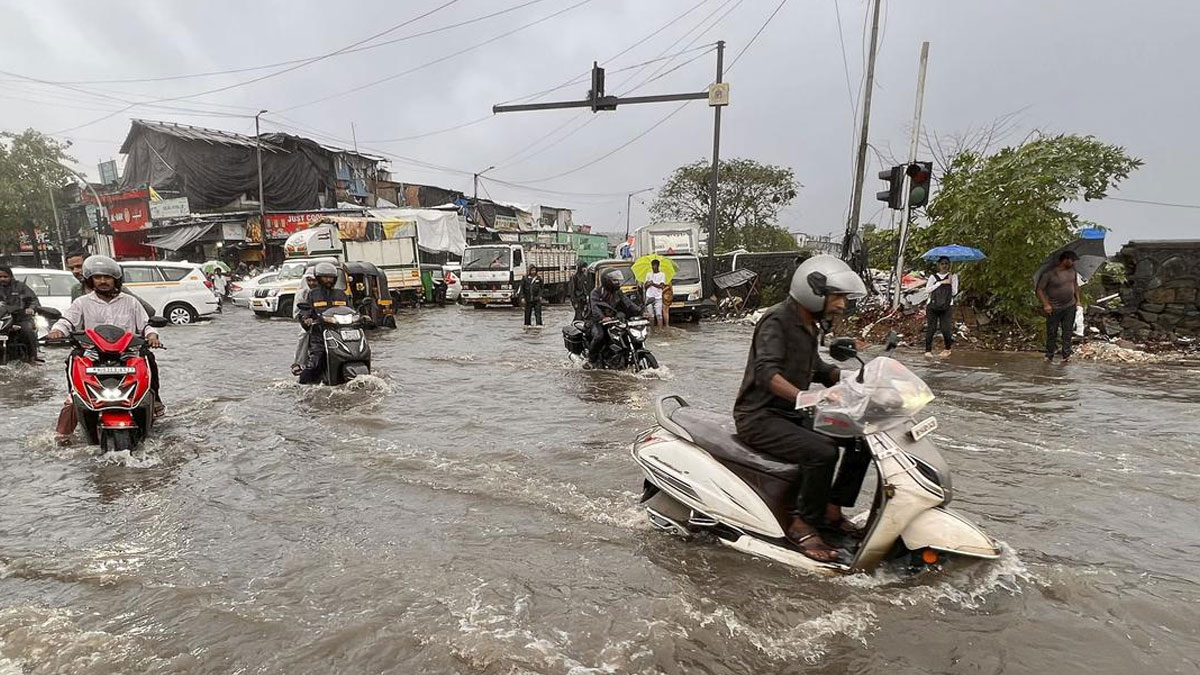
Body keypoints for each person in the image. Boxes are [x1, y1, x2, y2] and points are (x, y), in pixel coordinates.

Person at [733, 255, 870, 563]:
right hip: (759, 416)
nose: (842, 304)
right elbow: (767, 372)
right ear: (814, 292)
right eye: (837, 297)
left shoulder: (810, 324)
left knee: (859, 441)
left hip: (791, 414)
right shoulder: (777, 320)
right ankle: (802, 524)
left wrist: (850, 377)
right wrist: (803, 397)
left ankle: (831, 509)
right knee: (822, 452)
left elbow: (815, 366)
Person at [47, 256, 164, 441]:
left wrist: (152, 336)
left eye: (107, 277)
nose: (103, 281)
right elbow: (66, 321)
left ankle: (154, 399)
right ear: (90, 280)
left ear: (116, 280)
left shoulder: (131, 302)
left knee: (148, 357)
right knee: (73, 358)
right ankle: (75, 400)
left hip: (128, 352)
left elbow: (145, 325)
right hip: (93, 352)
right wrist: (57, 331)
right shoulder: (82, 302)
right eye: (98, 277)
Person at [296, 262, 349, 384]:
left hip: (341, 335)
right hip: (320, 336)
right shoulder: (312, 294)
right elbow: (305, 311)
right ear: (319, 278)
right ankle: (301, 385)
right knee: (314, 364)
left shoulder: (341, 294)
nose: (328, 280)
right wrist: (306, 319)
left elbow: (351, 310)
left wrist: (363, 317)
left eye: (331, 277)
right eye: (325, 277)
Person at [585, 269, 642, 367]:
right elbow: (595, 308)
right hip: (596, 321)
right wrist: (602, 317)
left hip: (613, 320)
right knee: (599, 336)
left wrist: (641, 311)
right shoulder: (596, 292)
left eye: (617, 280)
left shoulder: (618, 292)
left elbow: (628, 303)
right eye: (614, 280)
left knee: (626, 334)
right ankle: (591, 360)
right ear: (606, 280)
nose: (617, 282)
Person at [1037, 251, 1083, 363]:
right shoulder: (1049, 274)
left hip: (1070, 305)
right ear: (1065, 260)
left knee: (1067, 331)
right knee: (1052, 332)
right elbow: (1039, 289)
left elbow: (1075, 286)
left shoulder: (1073, 271)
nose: (1073, 263)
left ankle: (1066, 355)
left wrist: (1078, 301)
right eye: (1072, 260)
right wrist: (1046, 304)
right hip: (1054, 307)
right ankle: (1049, 355)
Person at [0, 264, 40, 364]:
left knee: (28, 331)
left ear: (10, 276)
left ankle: (32, 357)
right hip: (2, 319)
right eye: (0, 277)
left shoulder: (20, 286)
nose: (2, 279)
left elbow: (33, 300)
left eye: (5, 276)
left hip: (21, 318)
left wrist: (31, 308)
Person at [924, 256, 959, 358]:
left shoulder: (953, 277)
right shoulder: (933, 277)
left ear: (949, 265)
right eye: (942, 264)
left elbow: (954, 292)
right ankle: (928, 351)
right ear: (938, 265)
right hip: (932, 306)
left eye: (946, 263)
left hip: (947, 306)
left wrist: (951, 282)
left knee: (945, 328)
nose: (944, 266)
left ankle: (947, 349)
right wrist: (940, 283)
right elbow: (927, 290)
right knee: (931, 328)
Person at [290, 270, 318, 376]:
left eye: (314, 280)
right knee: (304, 334)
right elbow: (301, 311)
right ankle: (299, 363)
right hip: (309, 322)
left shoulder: (327, 291)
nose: (312, 283)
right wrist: (306, 319)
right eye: (309, 280)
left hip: (328, 320)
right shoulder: (303, 293)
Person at [643, 259, 668, 329]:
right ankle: (652, 330)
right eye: (652, 265)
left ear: (658, 266)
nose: (653, 267)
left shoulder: (662, 275)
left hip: (658, 298)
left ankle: (660, 329)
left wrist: (653, 283)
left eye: (655, 265)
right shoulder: (648, 274)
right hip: (649, 297)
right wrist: (648, 283)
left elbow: (661, 286)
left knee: (659, 314)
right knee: (651, 315)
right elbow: (645, 286)